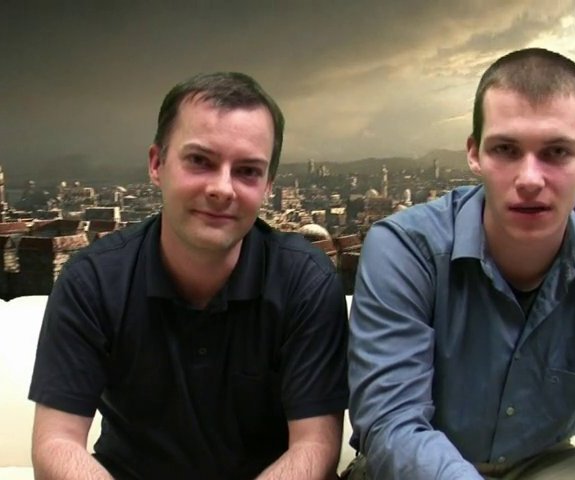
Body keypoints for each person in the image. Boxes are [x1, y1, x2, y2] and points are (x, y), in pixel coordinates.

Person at [29, 72, 349, 479]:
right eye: (200, 161)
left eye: (248, 170)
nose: (222, 188)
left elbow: (316, 445)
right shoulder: (92, 280)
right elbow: (56, 442)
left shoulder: (305, 281)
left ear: (269, 185)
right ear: (156, 164)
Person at [346, 48, 575, 479]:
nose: (529, 179)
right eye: (505, 149)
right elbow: (392, 422)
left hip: (545, 462)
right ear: (474, 154)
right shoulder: (406, 248)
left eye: (556, 151)